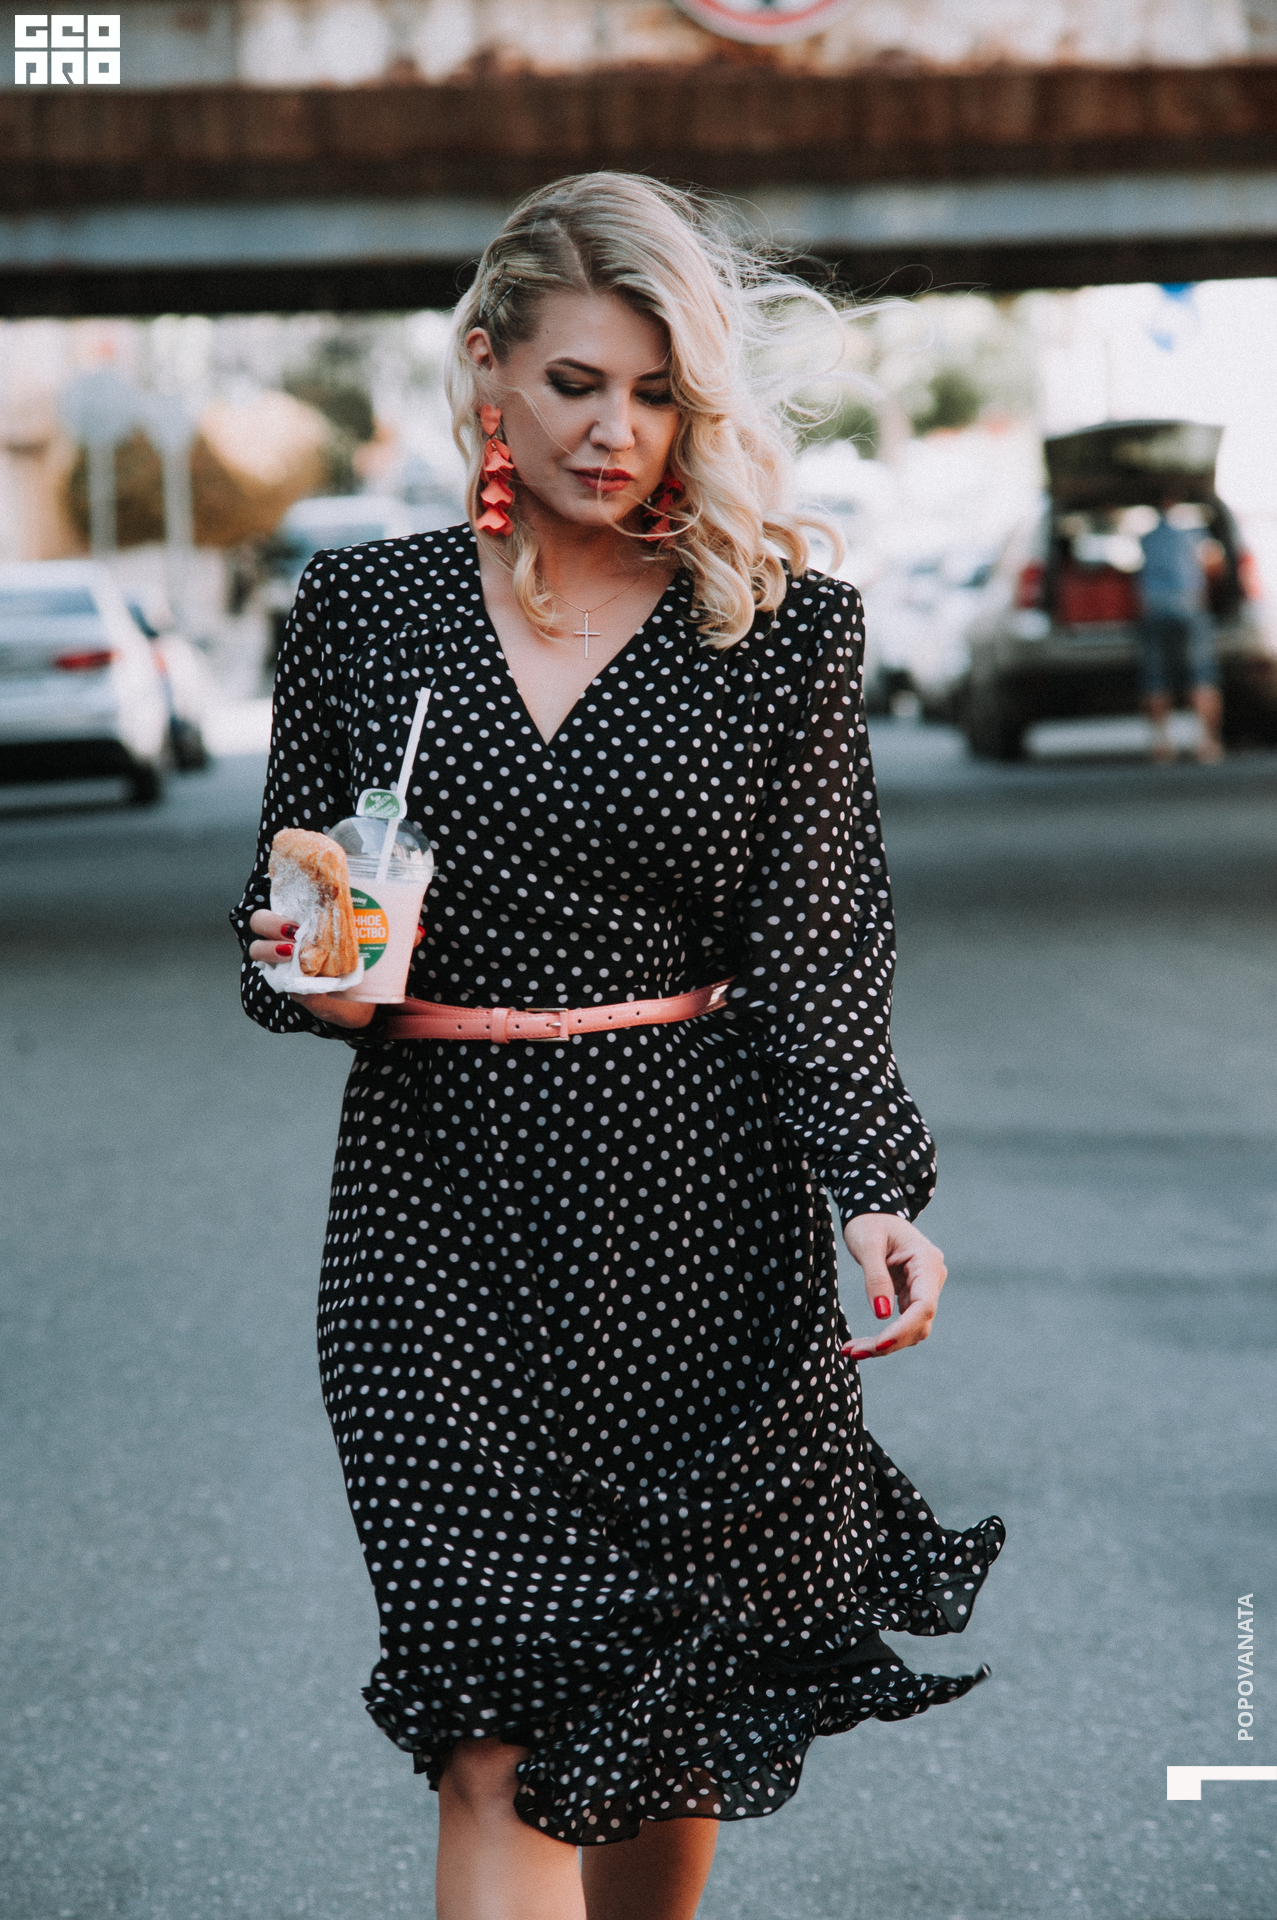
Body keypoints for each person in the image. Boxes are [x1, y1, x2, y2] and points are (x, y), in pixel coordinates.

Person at [232, 173, 1003, 1920]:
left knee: (672, 1708)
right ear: (487, 370)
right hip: (439, 1220)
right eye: (577, 382)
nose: (617, 432)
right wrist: (315, 967)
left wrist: (875, 1192)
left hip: (696, 1218)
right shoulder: (364, 613)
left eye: (657, 395)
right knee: (497, 1733)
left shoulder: (773, 627)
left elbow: (817, 950)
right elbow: (287, 909)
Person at [1137, 496, 1223, 763]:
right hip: (1189, 606)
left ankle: (1161, 745)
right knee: (1202, 674)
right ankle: (1208, 744)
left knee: (1156, 677)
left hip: (1154, 609)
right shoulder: (1193, 534)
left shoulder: (1146, 538)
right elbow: (1214, 564)